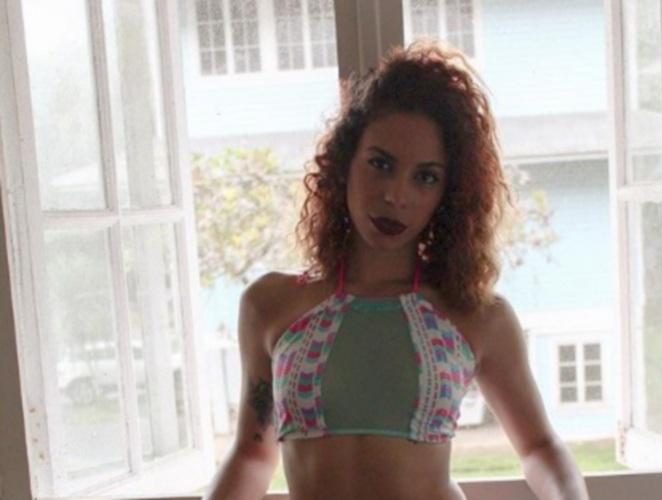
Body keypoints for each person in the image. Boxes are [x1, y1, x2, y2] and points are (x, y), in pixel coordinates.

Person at [203, 39, 590, 500]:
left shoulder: (478, 316)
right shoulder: (270, 305)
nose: (396, 195)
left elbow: (540, 447)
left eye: (425, 177)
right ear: (345, 164)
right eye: (381, 164)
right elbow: (251, 455)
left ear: (448, 192)